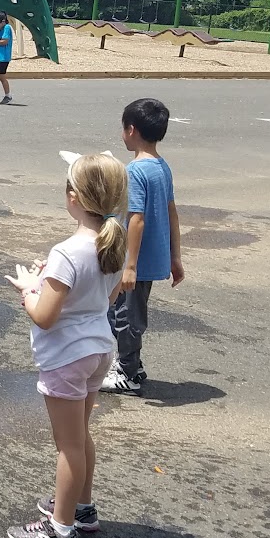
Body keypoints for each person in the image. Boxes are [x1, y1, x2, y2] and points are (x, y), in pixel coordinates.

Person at [2, 152, 128, 538]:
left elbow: (44, 315)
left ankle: (60, 528)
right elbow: (104, 297)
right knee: (80, 435)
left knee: (67, 445)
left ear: (73, 196)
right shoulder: (111, 243)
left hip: (67, 357)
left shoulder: (68, 251)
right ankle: (83, 508)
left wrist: (28, 288)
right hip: (98, 349)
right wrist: (46, 278)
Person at [103, 98, 185, 395]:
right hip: (153, 257)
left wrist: (129, 266)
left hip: (136, 261)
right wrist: (176, 256)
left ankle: (128, 371)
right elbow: (171, 211)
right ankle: (132, 365)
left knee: (125, 316)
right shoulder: (161, 167)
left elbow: (135, 219)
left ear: (131, 130)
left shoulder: (135, 171)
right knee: (125, 312)